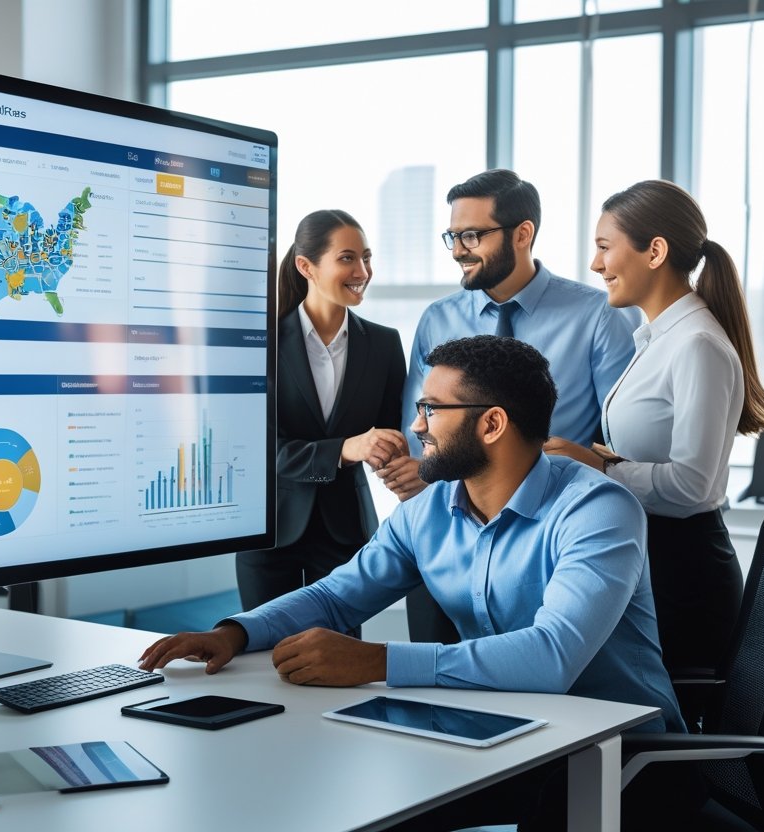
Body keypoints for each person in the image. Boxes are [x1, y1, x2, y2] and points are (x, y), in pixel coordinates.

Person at [141, 335, 687, 829]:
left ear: (491, 424)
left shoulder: (598, 510)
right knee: (353, 800)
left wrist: (377, 662)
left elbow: (551, 657)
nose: (417, 425)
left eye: (431, 408)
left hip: (621, 758)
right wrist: (236, 633)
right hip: (507, 732)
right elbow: (336, 597)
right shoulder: (430, 512)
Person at [544, 179, 764, 729]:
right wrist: (608, 458)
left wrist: (602, 465)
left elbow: (695, 487)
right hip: (656, 562)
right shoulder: (656, 338)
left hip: (684, 576)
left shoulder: (696, 343)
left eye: (606, 246)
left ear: (655, 251)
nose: (594, 262)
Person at [378, 169, 638, 643]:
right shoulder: (438, 318)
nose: (458, 249)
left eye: (472, 235)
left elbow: (624, 437)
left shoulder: (597, 315)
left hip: (547, 537)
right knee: (432, 687)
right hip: (449, 533)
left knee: (529, 671)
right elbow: (421, 425)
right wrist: (420, 469)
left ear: (523, 234)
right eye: (453, 236)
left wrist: (589, 463)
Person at [234, 209, 405, 618]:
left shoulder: (383, 345)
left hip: (347, 532)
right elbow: (256, 451)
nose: (362, 270)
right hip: (269, 531)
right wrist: (344, 449)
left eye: (366, 257)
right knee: (262, 656)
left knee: (338, 659)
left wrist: (394, 458)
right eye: (347, 258)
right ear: (305, 266)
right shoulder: (260, 344)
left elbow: (390, 434)